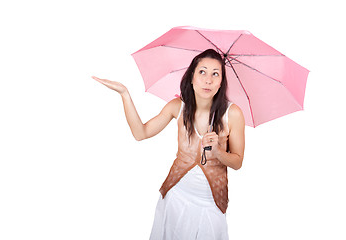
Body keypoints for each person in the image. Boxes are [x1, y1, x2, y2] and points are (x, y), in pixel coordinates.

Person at [92, 49, 245, 240]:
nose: (208, 80)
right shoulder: (177, 106)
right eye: (202, 72)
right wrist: (125, 95)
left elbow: (238, 162)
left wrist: (219, 152)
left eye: (216, 74)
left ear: (222, 81)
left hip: (210, 203)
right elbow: (142, 133)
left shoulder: (233, 114)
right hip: (176, 197)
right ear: (191, 77)